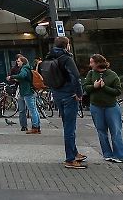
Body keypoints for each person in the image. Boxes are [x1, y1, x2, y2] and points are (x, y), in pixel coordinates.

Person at [41, 36, 87, 169]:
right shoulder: (66, 58)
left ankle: (74, 152)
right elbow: (75, 76)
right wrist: (79, 93)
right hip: (69, 94)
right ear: (67, 45)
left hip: (57, 94)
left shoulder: (49, 57)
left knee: (67, 124)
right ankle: (70, 159)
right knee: (70, 127)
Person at [84, 53, 123, 164]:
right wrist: (94, 86)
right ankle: (107, 154)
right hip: (96, 106)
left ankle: (120, 155)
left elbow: (118, 91)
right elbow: (86, 87)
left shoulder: (112, 75)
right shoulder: (91, 73)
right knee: (101, 131)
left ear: (98, 63)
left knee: (115, 131)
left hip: (111, 106)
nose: (90, 64)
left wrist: (105, 87)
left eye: (92, 62)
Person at [9, 54, 40, 134]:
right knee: (34, 110)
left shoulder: (24, 69)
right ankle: (37, 126)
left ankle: (35, 127)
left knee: (32, 110)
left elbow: (22, 76)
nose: (17, 62)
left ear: (23, 62)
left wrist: (12, 77)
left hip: (27, 92)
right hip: (29, 91)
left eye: (19, 61)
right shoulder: (27, 68)